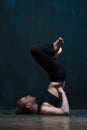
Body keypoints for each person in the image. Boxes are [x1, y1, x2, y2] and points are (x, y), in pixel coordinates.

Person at [16, 37, 70, 115]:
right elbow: (65, 111)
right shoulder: (43, 110)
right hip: (58, 75)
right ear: (28, 105)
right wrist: (62, 93)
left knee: (36, 50)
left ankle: (53, 52)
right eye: (26, 98)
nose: (28, 95)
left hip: (55, 76)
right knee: (34, 50)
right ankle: (53, 50)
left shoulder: (40, 108)